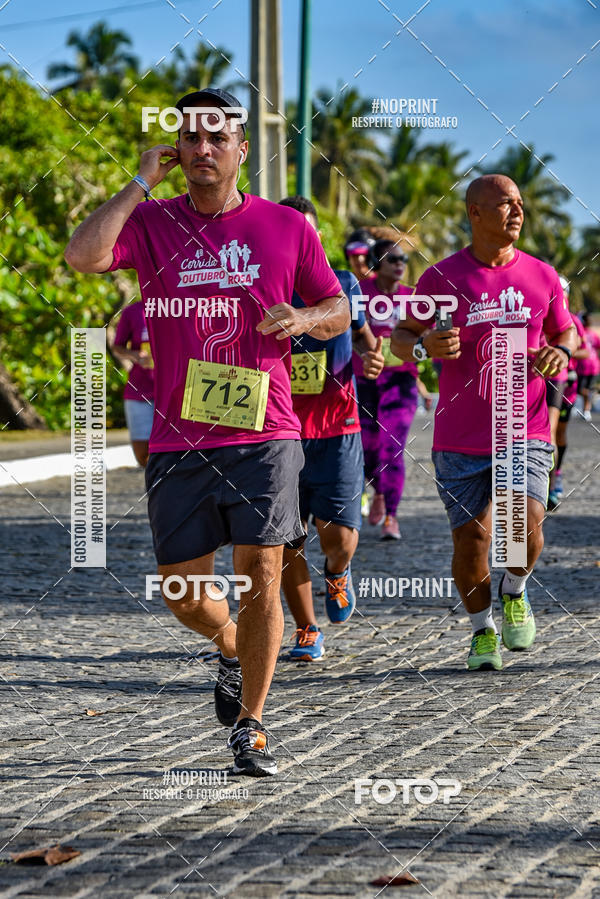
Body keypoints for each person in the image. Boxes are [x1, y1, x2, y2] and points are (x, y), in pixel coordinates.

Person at [64, 87, 349, 776]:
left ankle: (251, 724)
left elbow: (338, 306)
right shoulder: (154, 223)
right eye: (191, 138)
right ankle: (227, 643)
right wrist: (139, 181)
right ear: (178, 149)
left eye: (217, 138)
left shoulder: (287, 227)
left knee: (262, 571)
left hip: (265, 431)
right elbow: (83, 254)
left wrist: (305, 322)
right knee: (183, 593)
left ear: (241, 149)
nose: (202, 149)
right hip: (179, 438)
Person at [392, 174, 576, 671]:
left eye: (519, 204)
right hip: (460, 435)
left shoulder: (541, 274)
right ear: (475, 213)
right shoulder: (440, 279)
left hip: (525, 424)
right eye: (504, 205)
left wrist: (558, 352)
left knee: (524, 526)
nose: (516, 212)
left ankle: (514, 589)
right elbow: (401, 337)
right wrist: (423, 347)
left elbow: (566, 335)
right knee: (471, 540)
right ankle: (482, 630)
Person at [278, 196, 384, 661]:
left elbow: (360, 332)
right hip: (277, 433)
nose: (300, 241)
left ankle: (337, 573)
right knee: (284, 538)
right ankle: (306, 628)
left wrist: (371, 354)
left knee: (338, 538)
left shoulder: (343, 285)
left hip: (337, 428)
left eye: (308, 233)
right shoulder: (260, 286)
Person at [355, 239, 419, 540]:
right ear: (376, 262)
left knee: (391, 448)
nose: (399, 263)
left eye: (403, 259)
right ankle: (378, 490)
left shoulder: (413, 297)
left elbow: (429, 335)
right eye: (393, 258)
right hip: (363, 381)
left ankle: (391, 515)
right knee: (367, 450)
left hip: (400, 381)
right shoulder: (358, 292)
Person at [552, 307, 588, 507]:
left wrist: (564, 352)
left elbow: (584, 351)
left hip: (565, 383)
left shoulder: (571, 320)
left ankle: (556, 474)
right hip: (537, 381)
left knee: (557, 433)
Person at [112, 300, 155, 467]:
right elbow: (117, 347)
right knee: (142, 455)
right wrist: (135, 355)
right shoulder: (132, 311)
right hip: (139, 392)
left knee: (175, 452)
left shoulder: (180, 306)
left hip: (173, 392)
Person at [576, 311, 600, 422]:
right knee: (583, 389)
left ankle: (586, 410)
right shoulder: (593, 334)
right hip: (593, 365)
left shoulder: (581, 334)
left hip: (584, 365)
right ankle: (586, 409)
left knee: (581, 389)